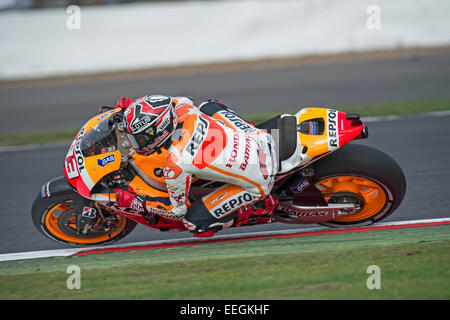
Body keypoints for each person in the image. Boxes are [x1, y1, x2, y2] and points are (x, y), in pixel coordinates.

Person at [114, 95, 279, 237]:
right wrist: (133, 108)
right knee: (208, 105)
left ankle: (257, 209)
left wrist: (137, 202)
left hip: (259, 177)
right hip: (258, 137)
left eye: (139, 138)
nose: (134, 143)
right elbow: (178, 100)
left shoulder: (175, 164)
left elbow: (177, 211)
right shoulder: (182, 107)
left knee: (193, 222)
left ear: (160, 131)